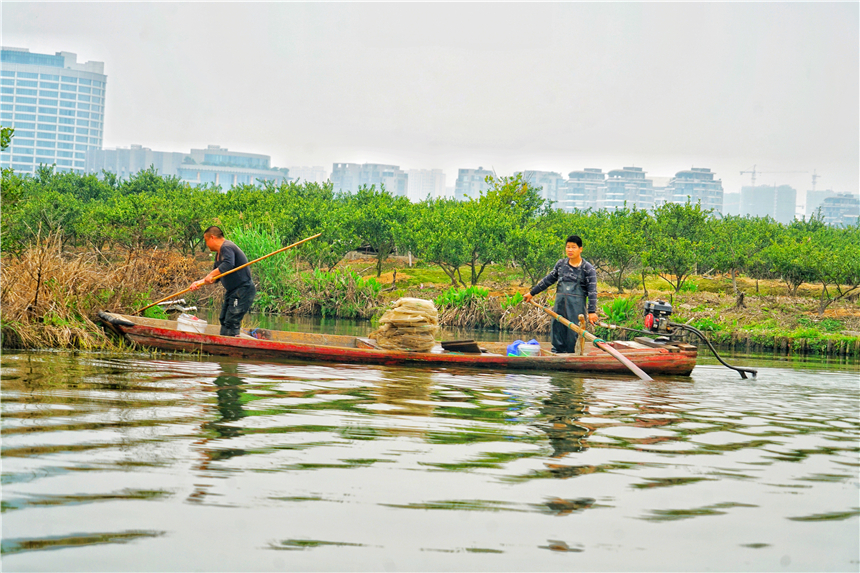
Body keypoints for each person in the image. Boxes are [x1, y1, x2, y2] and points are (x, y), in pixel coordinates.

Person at [523, 235, 598, 353]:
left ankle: (573, 355)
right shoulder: (561, 265)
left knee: (573, 334)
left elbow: (592, 291)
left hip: (576, 310)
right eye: (568, 247)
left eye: (573, 247)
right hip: (559, 307)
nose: (570, 250)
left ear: (580, 249)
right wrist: (532, 293)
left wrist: (592, 312)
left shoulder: (587, 269)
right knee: (557, 331)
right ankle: (556, 354)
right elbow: (548, 280)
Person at [189, 226, 256, 336]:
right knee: (224, 319)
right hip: (233, 291)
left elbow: (229, 264)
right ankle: (223, 342)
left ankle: (233, 347)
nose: (206, 245)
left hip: (243, 289)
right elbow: (215, 278)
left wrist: (210, 274)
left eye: (206, 241)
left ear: (212, 237)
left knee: (232, 320)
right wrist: (199, 283)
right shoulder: (219, 255)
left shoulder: (226, 247)